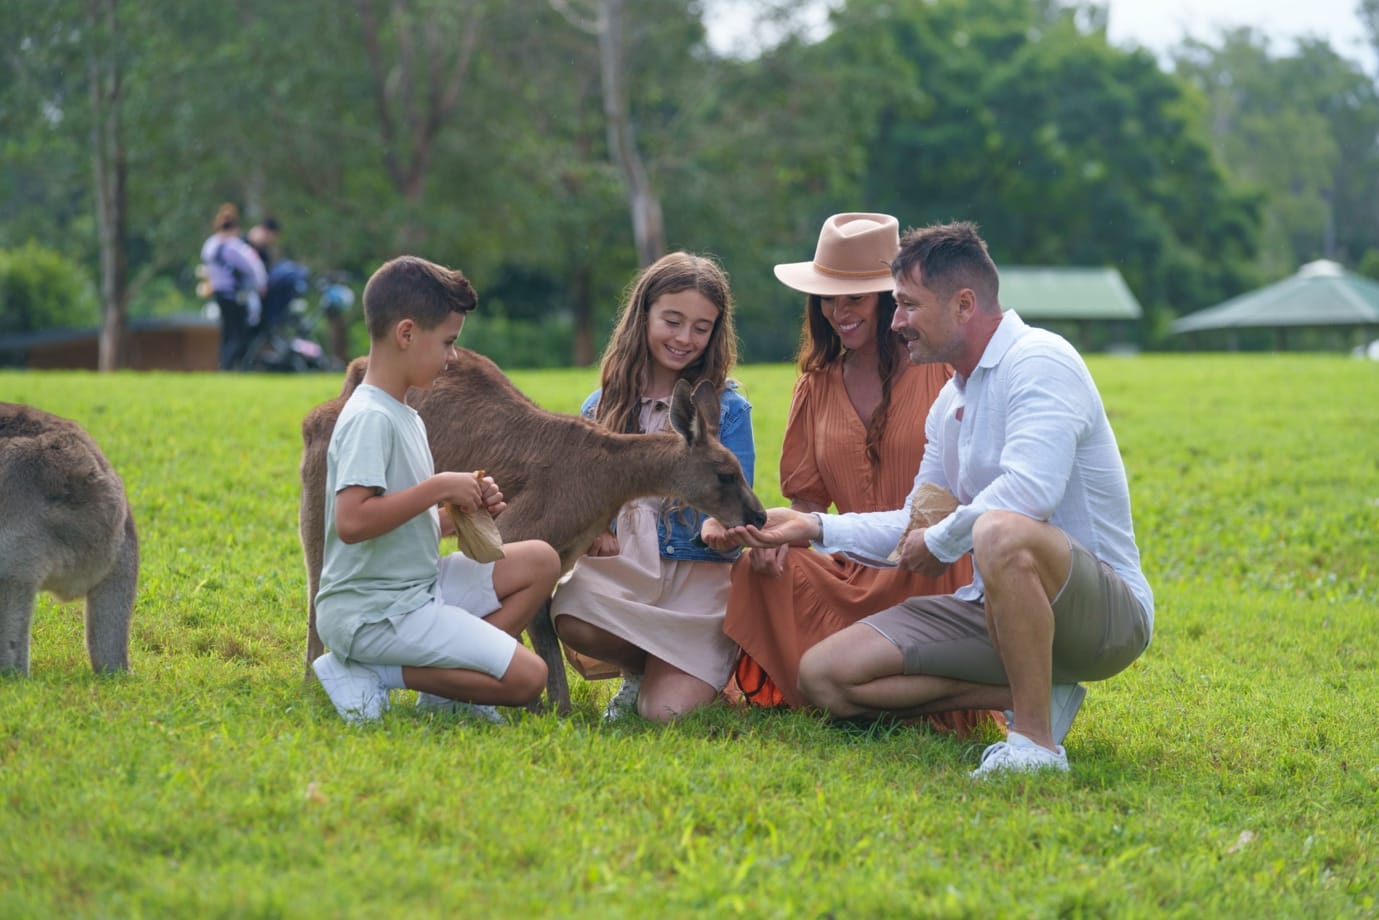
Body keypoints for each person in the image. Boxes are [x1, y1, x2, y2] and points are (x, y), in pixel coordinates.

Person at [728, 221, 1153, 777]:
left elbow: (1029, 491)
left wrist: (941, 538)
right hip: (989, 608)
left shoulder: (1040, 360)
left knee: (1000, 529)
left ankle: (1035, 747)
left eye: (907, 304)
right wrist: (814, 530)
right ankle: (1030, 686)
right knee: (825, 675)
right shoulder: (949, 401)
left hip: (1100, 616)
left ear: (964, 305)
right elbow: (914, 521)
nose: (897, 320)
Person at [713, 212, 992, 736]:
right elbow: (808, 502)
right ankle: (845, 687)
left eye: (854, 298)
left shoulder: (939, 369)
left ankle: (890, 690)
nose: (838, 312)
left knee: (933, 556)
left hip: (925, 559)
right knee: (761, 569)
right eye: (827, 298)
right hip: (852, 563)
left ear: (890, 298)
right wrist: (777, 538)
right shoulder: (815, 384)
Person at [311, 255, 562, 725]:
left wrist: (459, 515)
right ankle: (375, 669)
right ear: (406, 334)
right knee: (529, 678)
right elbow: (352, 522)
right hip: (373, 615)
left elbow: (399, 525)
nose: (452, 358)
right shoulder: (370, 417)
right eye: (448, 343)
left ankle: (449, 692)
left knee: (542, 561)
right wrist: (438, 487)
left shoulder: (404, 412)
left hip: (417, 590)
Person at [550, 251, 756, 723]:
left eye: (701, 327)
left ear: (715, 332)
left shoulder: (727, 410)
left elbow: (733, 505)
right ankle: (638, 670)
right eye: (673, 320)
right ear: (644, 315)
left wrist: (721, 531)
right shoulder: (602, 407)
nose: (685, 338)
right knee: (572, 612)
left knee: (665, 714)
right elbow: (583, 501)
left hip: (697, 583)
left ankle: (694, 670)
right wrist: (595, 531)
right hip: (628, 576)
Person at [199, 203, 267, 370]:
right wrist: (261, 285)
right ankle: (231, 365)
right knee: (238, 333)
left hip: (219, 293)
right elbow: (252, 267)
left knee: (226, 332)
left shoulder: (210, 245)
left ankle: (223, 365)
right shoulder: (233, 247)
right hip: (234, 294)